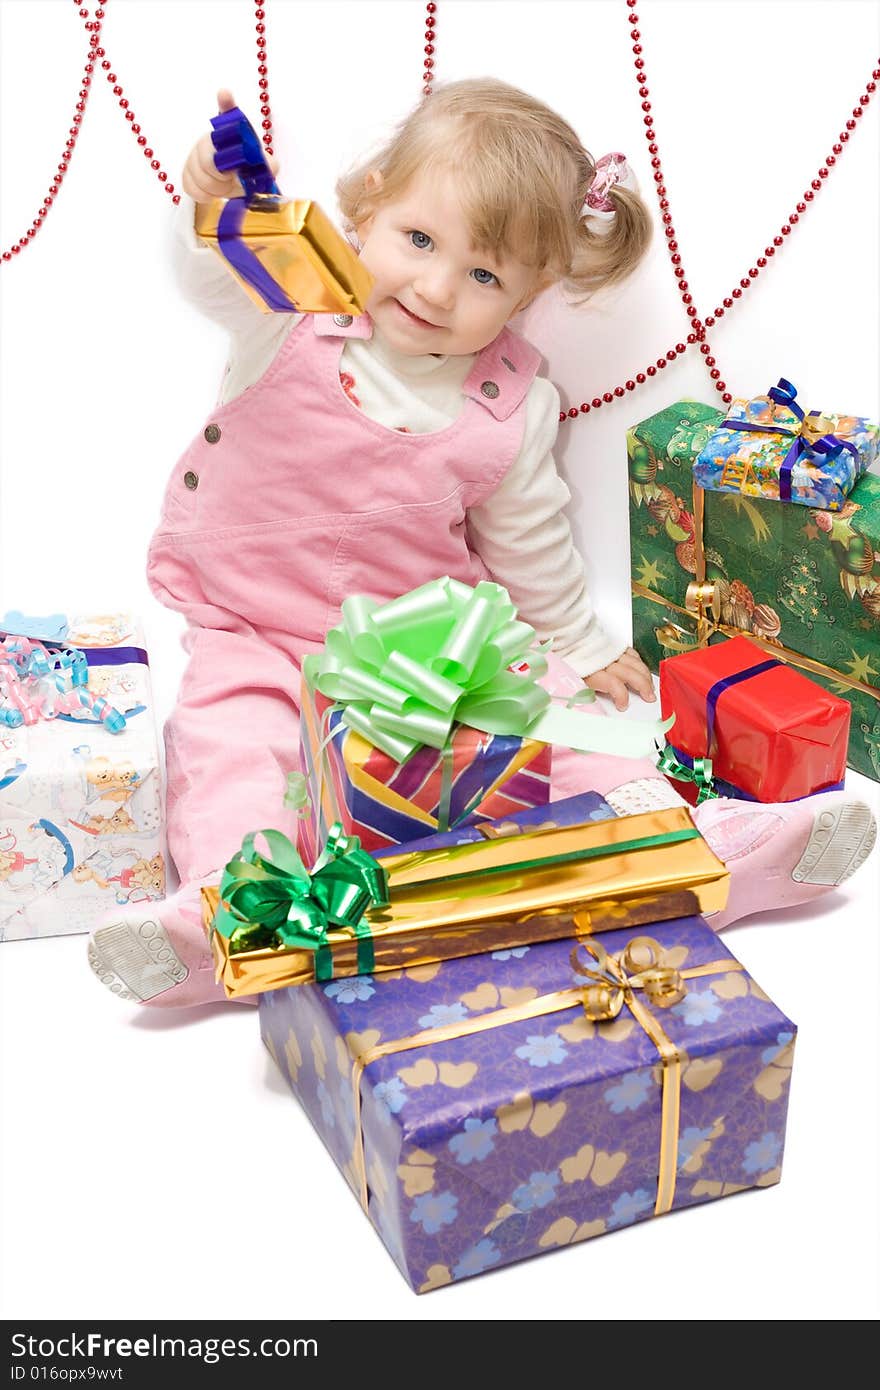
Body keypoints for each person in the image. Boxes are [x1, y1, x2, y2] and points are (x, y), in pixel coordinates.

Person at [87, 79, 876, 1008]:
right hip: (251, 626)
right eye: (419, 241)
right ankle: (225, 917)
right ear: (368, 203)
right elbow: (212, 272)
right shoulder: (292, 310)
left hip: (431, 645)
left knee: (550, 739)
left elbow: (530, 539)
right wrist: (215, 205)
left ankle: (714, 841)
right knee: (231, 753)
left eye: (484, 275)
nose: (434, 287)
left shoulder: (511, 402)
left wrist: (580, 643)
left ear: (532, 293)